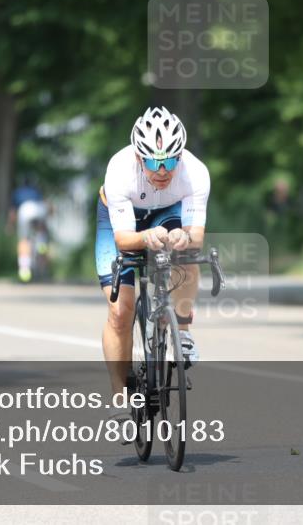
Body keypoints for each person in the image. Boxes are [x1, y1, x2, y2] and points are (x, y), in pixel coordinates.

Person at [96, 106, 210, 421]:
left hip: (166, 212)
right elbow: (123, 239)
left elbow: (196, 234)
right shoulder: (119, 169)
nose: (162, 170)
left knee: (185, 253)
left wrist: (182, 239)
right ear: (138, 157)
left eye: (171, 161)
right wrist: (146, 237)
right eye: (153, 162)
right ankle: (119, 397)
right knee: (121, 311)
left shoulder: (195, 172)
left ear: (181, 156)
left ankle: (181, 333)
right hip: (120, 223)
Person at [9, 177, 50, 283]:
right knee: (41, 233)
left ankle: (24, 269)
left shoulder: (17, 192)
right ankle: (41, 247)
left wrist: (10, 225)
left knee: (24, 240)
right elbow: (45, 205)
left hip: (25, 211)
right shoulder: (36, 191)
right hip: (38, 209)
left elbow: (13, 212)